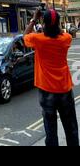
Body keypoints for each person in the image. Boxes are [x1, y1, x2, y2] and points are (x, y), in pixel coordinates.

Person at [24, 8, 79, 147]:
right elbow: (61, 32)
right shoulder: (66, 39)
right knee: (71, 128)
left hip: (46, 90)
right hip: (64, 89)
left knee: (51, 130)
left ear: (44, 23)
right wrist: (53, 25)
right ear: (58, 23)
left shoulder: (38, 39)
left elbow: (25, 35)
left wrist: (34, 19)